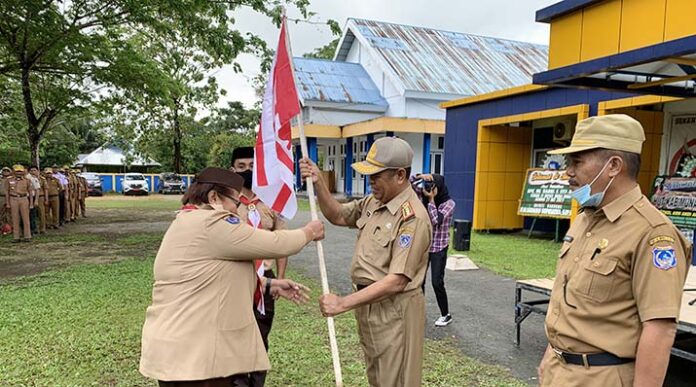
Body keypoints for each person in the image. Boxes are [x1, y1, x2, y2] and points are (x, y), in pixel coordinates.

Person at [537, 114, 692, 386]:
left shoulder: (653, 233)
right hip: (558, 370)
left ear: (613, 166)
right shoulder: (587, 218)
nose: (568, 172)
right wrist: (552, 353)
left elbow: (660, 328)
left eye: (577, 162)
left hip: (603, 377)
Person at [139, 167, 324, 386]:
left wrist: (267, 284)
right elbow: (276, 243)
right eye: (235, 203)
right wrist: (310, 231)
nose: (237, 211)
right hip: (197, 357)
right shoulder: (212, 223)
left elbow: (207, 278)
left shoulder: (187, 220)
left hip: (180, 351)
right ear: (213, 197)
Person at [300, 136, 432, 387]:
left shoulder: (413, 218)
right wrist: (318, 182)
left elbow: (397, 281)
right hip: (370, 306)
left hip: (395, 311)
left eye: (376, 175)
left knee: (396, 380)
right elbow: (338, 215)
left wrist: (342, 304)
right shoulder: (374, 201)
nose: (369, 181)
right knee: (379, 377)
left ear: (400, 175)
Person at [228, 146, 287, 387]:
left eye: (252, 166)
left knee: (261, 335)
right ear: (233, 170)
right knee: (234, 334)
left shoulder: (272, 203)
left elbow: (282, 243)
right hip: (234, 279)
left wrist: (280, 280)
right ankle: (238, 381)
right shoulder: (227, 203)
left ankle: (256, 382)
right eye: (241, 167)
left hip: (267, 279)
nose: (247, 171)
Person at [411, 173, 456, 326]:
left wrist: (430, 200)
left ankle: (445, 314)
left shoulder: (449, 203)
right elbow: (410, 183)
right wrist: (421, 176)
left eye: (432, 186)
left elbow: (436, 220)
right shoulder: (422, 195)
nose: (429, 189)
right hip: (424, 245)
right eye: (428, 186)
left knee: (437, 282)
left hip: (439, 247)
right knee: (419, 281)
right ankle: (418, 313)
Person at [4, 164, 34, 242]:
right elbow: (7, 192)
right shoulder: (9, 180)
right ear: (14, 171)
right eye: (17, 171)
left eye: (20, 171)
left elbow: (30, 192)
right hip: (13, 198)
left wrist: (31, 203)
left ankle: (27, 236)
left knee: (25, 218)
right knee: (15, 218)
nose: (19, 173)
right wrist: (7, 203)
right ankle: (16, 237)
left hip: (23, 198)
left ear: (23, 172)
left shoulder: (27, 180)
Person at [28, 166, 48, 234]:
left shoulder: (42, 179)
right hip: (31, 197)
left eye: (34, 170)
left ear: (38, 171)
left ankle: (42, 229)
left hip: (40, 197)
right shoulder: (28, 178)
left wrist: (46, 199)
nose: (33, 172)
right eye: (31, 170)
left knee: (41, 213)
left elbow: (45, 190)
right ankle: (34, 228)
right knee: (32, 214)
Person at [0, 166, 12, 235]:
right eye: (4, 171)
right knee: (1, 213)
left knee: (10, 213)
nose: (6, 172)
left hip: (10, 197)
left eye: (7, 171)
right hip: (1, 197)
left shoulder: (11, 179)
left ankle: (10, 228)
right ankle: (2, 228)